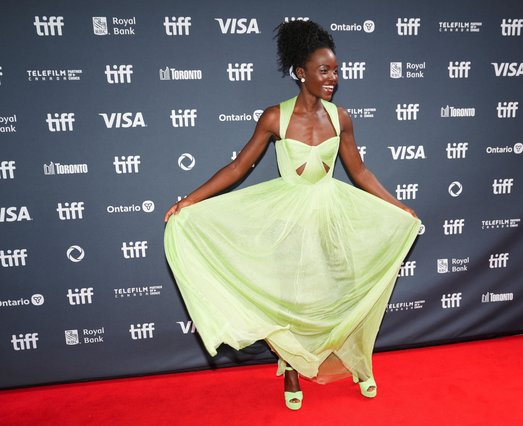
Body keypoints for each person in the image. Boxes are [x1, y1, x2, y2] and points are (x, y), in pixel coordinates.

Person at [164, 20, 421, 410]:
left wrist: (398, 207)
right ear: (301, 73)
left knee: (345, 291)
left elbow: (361, 172)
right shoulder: (274, 118)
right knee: (293, 299)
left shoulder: (341, 118)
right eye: (324, 70)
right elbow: (237, 169)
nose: (333, 78)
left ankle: (358, 361)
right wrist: (189, 201)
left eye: (335, 70)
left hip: (333, 216)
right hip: (289, 219)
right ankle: (289, 368)